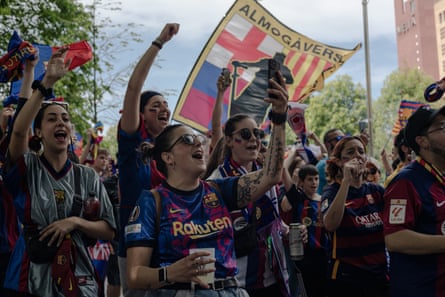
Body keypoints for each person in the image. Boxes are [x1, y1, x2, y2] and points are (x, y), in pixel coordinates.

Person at [124, 69, 288, 296]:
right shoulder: (152, 201)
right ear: (168, 157)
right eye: (187, 140)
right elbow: (134, 275)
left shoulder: (219, 189)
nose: (198, 145)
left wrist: (279, 117)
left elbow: (271, 175)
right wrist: (169, 273)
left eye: (199, 140)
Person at [3, 48, 116, 297]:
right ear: (40, 132)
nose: (60, 123)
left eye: (65, 119)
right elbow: (19, 133)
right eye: (51, 119)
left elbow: (108, 229)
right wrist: (46, 83)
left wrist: (75, 222)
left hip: (79, 279)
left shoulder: (86, 176)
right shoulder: (28, 166)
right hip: (28, 278)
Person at [117, 23, 178, 297]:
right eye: (155, 107)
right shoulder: (131, 141)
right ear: (141, 116)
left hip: (171, 241)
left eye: (166, 106)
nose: (163, 110)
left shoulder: (174, 150)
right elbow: (133, 88)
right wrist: (159, 43)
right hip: (134, 246)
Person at [207, 112, 290, 297]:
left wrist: (286, 229)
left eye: (257, 133)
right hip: (238, 283)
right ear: (229, 140)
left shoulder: (266, 177)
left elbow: (271, 220)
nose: (253, 138)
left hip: (273, 276)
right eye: (245, 134)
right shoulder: (216, 181)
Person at [383, 105, 445, 297]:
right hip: (421, 289)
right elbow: (394, 238)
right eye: (441, 126)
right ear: (423, 141)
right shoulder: (405, 181)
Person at [321, 136, 389, 297]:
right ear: (339, 161)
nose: (357, 155)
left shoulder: (376, 191)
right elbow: (330, 225)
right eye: (350, 152)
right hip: (348, 278)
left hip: (379, 275)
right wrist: (346, 182)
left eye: (361, 151)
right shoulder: (331, 192)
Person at [283, 164, 328, 297]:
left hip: (323, 254)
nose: (314, 183)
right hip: (304, 256)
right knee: (306, 291)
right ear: (302, 182)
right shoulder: (298, 198)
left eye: (316, 179)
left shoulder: (324, 200)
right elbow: (286, 203)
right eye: (310, 179)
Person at [316, 128, 344, 195]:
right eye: (339, 138)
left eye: (344, 137)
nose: (343, 141)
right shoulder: (323, 165)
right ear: (327, 144)